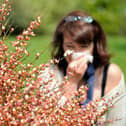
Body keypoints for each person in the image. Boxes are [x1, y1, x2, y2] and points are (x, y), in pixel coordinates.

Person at [41, 10, 126, 125]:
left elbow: (119, 122)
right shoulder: (50, 74)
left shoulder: (110, 74)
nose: (77, 53)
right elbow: (48, 121)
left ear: (95, 45)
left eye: (84, 46)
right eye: (70, 46)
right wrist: (71, 82)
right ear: (61, 45)